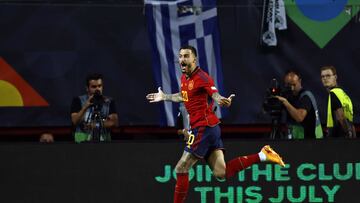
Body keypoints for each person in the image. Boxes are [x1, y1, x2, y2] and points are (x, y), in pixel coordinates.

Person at [146, 45, 285, 203]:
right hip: (210, 128)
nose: (182, 60)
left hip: (203, 128)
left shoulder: (202, 77)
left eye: (186, 56)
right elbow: (184, 96)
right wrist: (165, 97)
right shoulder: (185, 78)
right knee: (221, 173)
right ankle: (263, 155)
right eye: (180, 56)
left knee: (181, 168)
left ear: (194, 59)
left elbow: (215, 94)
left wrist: (221, 100)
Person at [70, 73, 119, 143]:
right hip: (82, 142)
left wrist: (95, 125)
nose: (97, 89)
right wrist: (85, 106)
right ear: (87, 88)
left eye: (99, 86)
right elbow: (75, 121)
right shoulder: (78, 100)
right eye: (94, 86)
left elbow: (115, 123)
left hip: (104, 141)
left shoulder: (109, 101)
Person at [275, 70, 323, 139]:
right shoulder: (287, 95)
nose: (292, 88)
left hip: (311, 140)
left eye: (294, 84)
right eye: (288, 85)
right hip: (295, 139)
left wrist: (286, 102)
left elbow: (299, 117)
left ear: (300, 81)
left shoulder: (306, 96)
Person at [320, 65, 356, 138]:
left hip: (338, 140)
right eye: (323, 76)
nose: (325, 78)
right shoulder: (343, 94)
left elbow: (341, 117)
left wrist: (348, 134)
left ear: (335, 77)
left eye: (328, 75)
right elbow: (350, 122)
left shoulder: (333, 94)